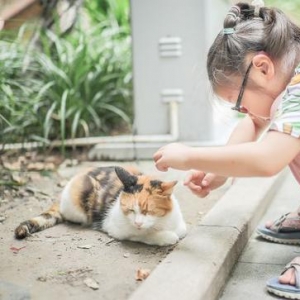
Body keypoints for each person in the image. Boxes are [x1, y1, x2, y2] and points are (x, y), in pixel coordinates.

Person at [153, 1, 300, 299]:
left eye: (238, 101)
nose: (242, 110)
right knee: (284, 134)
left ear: (262, 67)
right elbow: (254, 122)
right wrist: (219, 169)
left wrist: (190, 155)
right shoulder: (287, 78)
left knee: (283, 143)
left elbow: (267, 159)